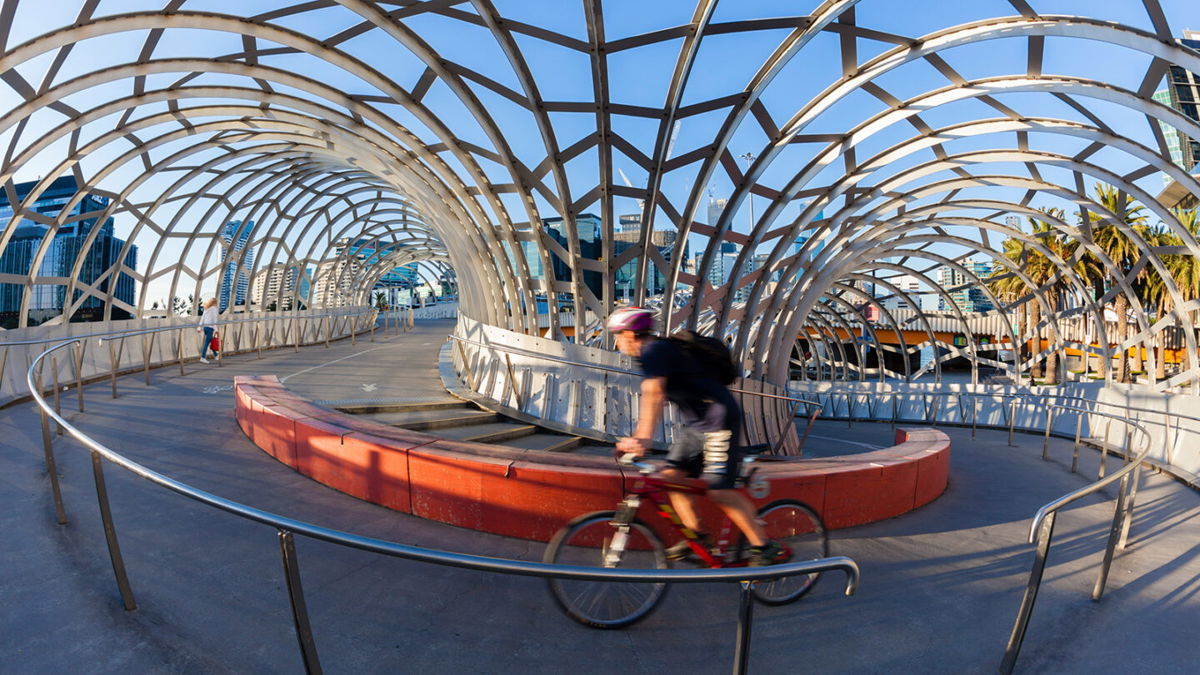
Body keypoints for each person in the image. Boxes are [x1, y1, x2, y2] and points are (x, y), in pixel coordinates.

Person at [609, 307, 790, 566]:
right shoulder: (652, 354)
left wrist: (642, 439)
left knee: (719, 490)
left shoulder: (654, 351)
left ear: (629, 333)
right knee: (672, 478)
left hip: (719, 420)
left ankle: (764, 547)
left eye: (617, 335)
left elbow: (654, 393)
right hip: (696, 426)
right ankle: (698, 536)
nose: (616, 342)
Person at [198, 298, 218, 363]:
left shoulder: (206, 308)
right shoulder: (214, 309)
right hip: (210, 328)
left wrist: (199, 327)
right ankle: (203, 357)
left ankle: (216, 355)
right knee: (207, 343)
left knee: (211, 341)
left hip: (205, 327)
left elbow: (202, 318)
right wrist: (216, 329)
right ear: (215, 302)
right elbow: (214, 320)